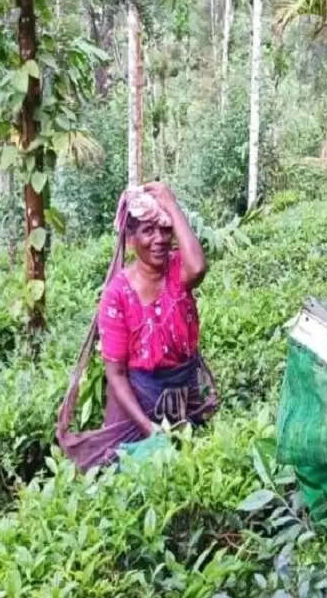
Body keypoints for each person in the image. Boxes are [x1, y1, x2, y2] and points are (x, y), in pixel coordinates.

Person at [62, 182, 217, 470]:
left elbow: (198, 267)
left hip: (182, 398)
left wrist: (171, 204)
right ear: (131, 239)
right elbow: (116, 375)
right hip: (137, 411)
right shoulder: (117, 294)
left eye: (165, 229)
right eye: (148, 231)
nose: (159, 239)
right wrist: (149, 428)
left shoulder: (177, 272)